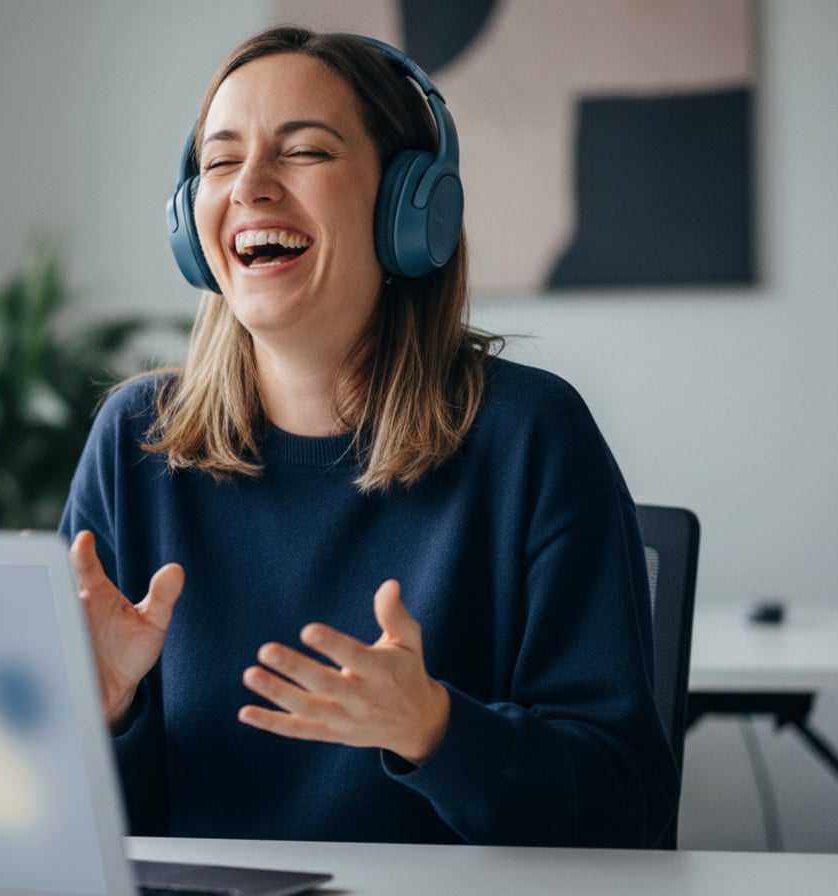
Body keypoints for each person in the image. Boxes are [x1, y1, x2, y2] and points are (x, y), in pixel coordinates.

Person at [58, 25, 676, 848]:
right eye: (220, 161)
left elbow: (625, 811)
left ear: (408, 208)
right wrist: (103, 715)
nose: (250, 187)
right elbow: (62, 829)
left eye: (303, 152)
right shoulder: (137, 439)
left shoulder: (530, 436)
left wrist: (437, 731)